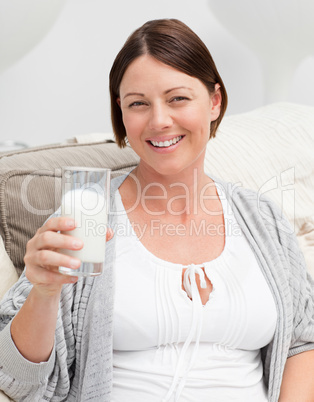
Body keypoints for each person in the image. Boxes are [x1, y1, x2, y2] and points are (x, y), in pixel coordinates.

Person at [0, 18, 314, 402]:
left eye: (178, 98)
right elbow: (17, 379)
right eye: (138, 104)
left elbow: (302, 342)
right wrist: (44, 294)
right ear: (121, 112)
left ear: (214, 101)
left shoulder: (261, 219)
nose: (159, 121)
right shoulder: (87, 216)